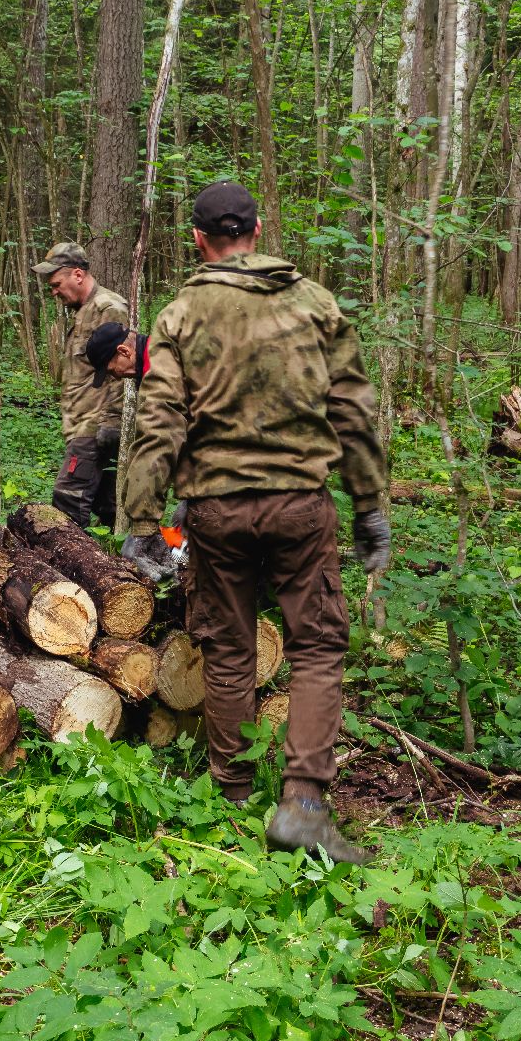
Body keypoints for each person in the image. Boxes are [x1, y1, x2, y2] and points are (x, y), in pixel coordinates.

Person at [122, 180, 391, 864]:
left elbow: (157, 422)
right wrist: (369, 504)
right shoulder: (314, 302)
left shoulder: (182, 314)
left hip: (216, 509)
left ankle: (231, 790)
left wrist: (143, 517)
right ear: (260, 228)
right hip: (301, 504)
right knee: (320, 647)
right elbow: (356, 410)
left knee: (231, 646)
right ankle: (302, 804)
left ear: (197, 239)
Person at [31, 243, 128, 529]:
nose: (54, 291)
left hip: (95, 428)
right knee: (109, 507)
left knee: (68, 501)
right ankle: (119, 567)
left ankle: (65, 570)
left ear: (77, 275)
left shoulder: (109, 308)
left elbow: (121, 368)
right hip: (83, 427)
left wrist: (111, 421)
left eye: (56, 284)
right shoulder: (83, 312)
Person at [85, 321, 150, 389]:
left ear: (124, 351)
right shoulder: (157, 349)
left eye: (112, 371)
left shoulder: (156, 376)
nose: (118, 378)